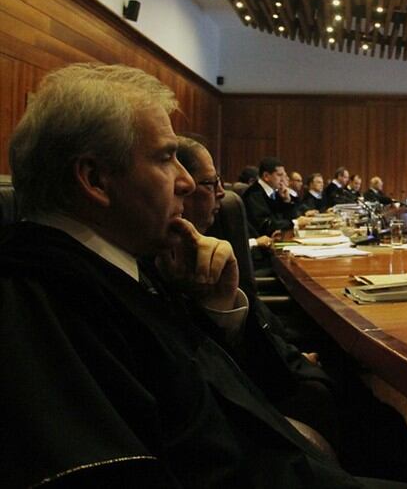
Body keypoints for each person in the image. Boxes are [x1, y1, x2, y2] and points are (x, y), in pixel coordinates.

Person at [0, 63, 369, 487]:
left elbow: (237, 394)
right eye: (165, 157)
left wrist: (217, 305)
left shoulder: (128, 267)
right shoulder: (42, 304)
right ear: (96, 180)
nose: (188, 182)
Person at [242, 156, 300, 236]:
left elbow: (290, 218)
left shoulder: (276, 193)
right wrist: (295, 223)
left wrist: (287, 201)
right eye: (279, 175)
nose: (283, 179)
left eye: (284, 175)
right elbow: (267, 226)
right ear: (266, 176)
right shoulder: (254, 194)